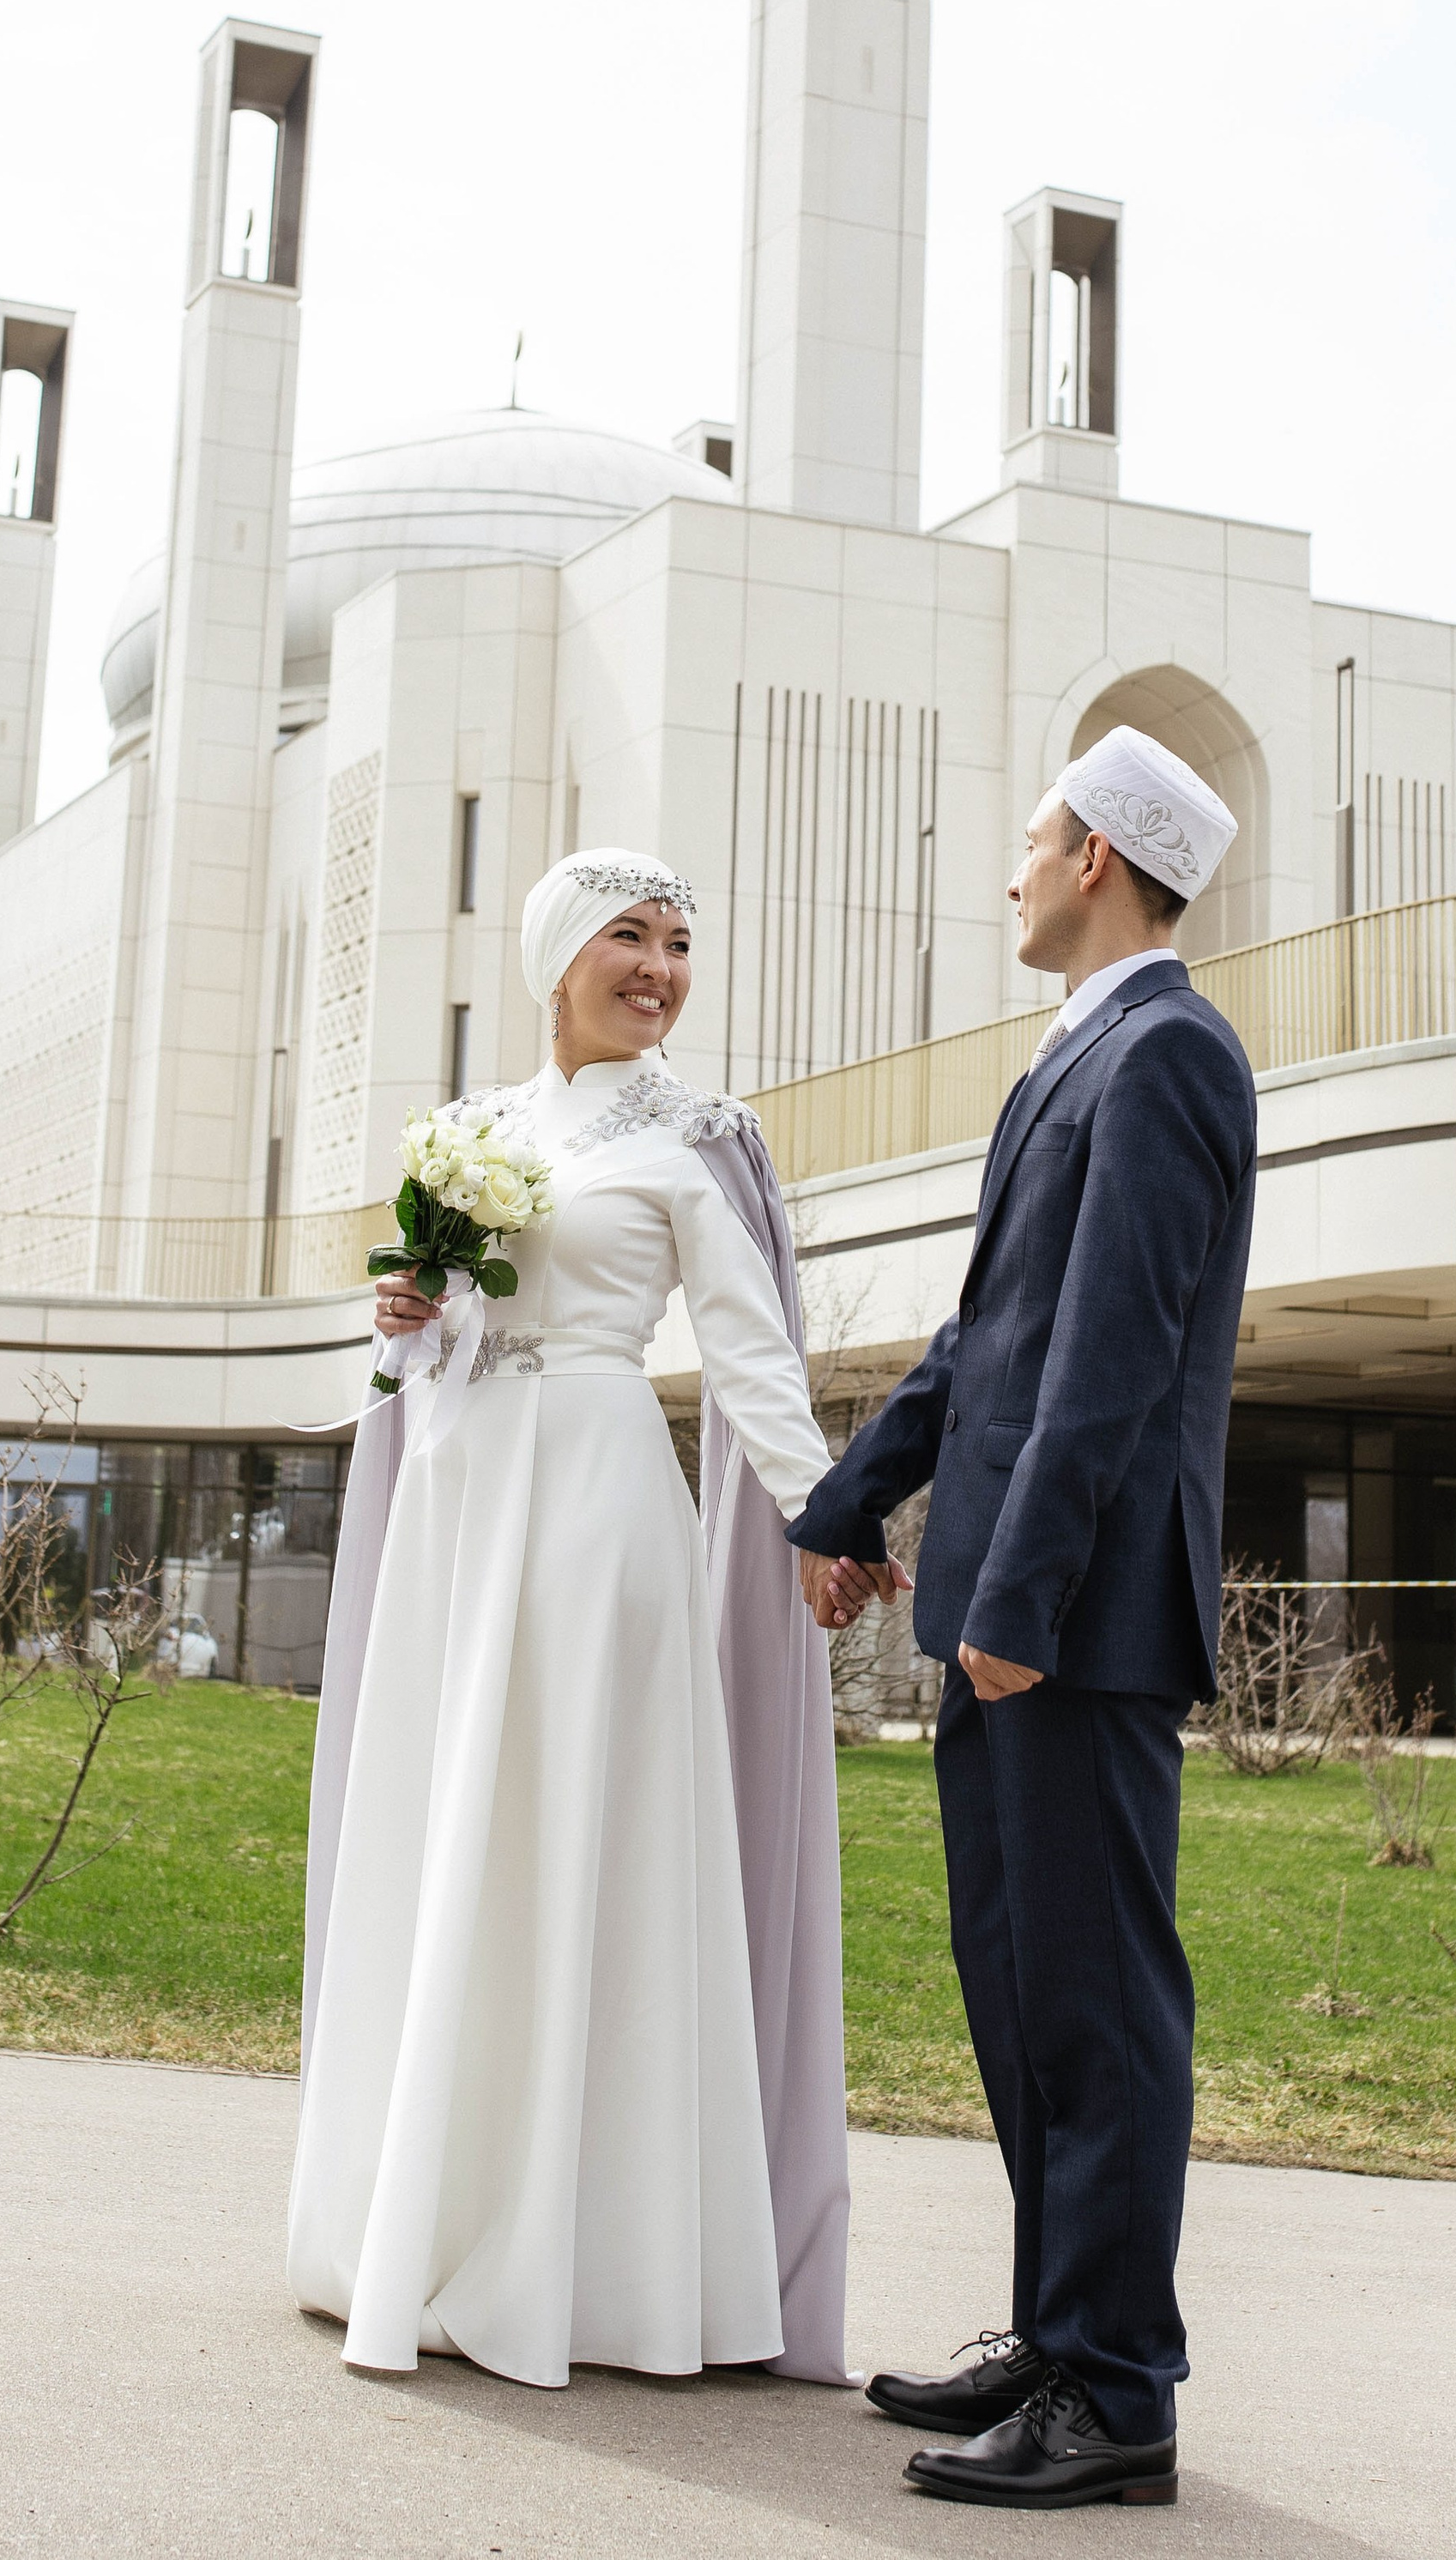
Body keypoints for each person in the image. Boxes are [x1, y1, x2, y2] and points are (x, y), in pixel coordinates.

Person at [287, 846, 849, 2392]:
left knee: (589, 1845)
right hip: (466, 1519)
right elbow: (428, 1349)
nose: (660, 969)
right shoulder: (460, 1139)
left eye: (679, 944)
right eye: (629, 937)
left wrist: (824, 1518)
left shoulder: (698, 1138)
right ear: (557, 957)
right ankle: (428, 2219)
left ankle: (596, 2254)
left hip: (603, 1509)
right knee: (453, 1832)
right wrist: (407, 1314)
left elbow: (749, 1357)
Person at [787, 729, 1258, 2511]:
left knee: (1097, 2004)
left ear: (1098, 864)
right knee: (1017, 1992)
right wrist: (847, 1506)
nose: (1009, 867)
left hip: (1061, 1615)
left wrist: (1026, 1591)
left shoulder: (1166, 1058)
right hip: (1002, 1600)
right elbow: (988, 1347)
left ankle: (1116, 2393)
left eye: (1033, 837)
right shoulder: (1078, 1058)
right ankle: (1056, 2331)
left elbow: (1115, 1359)